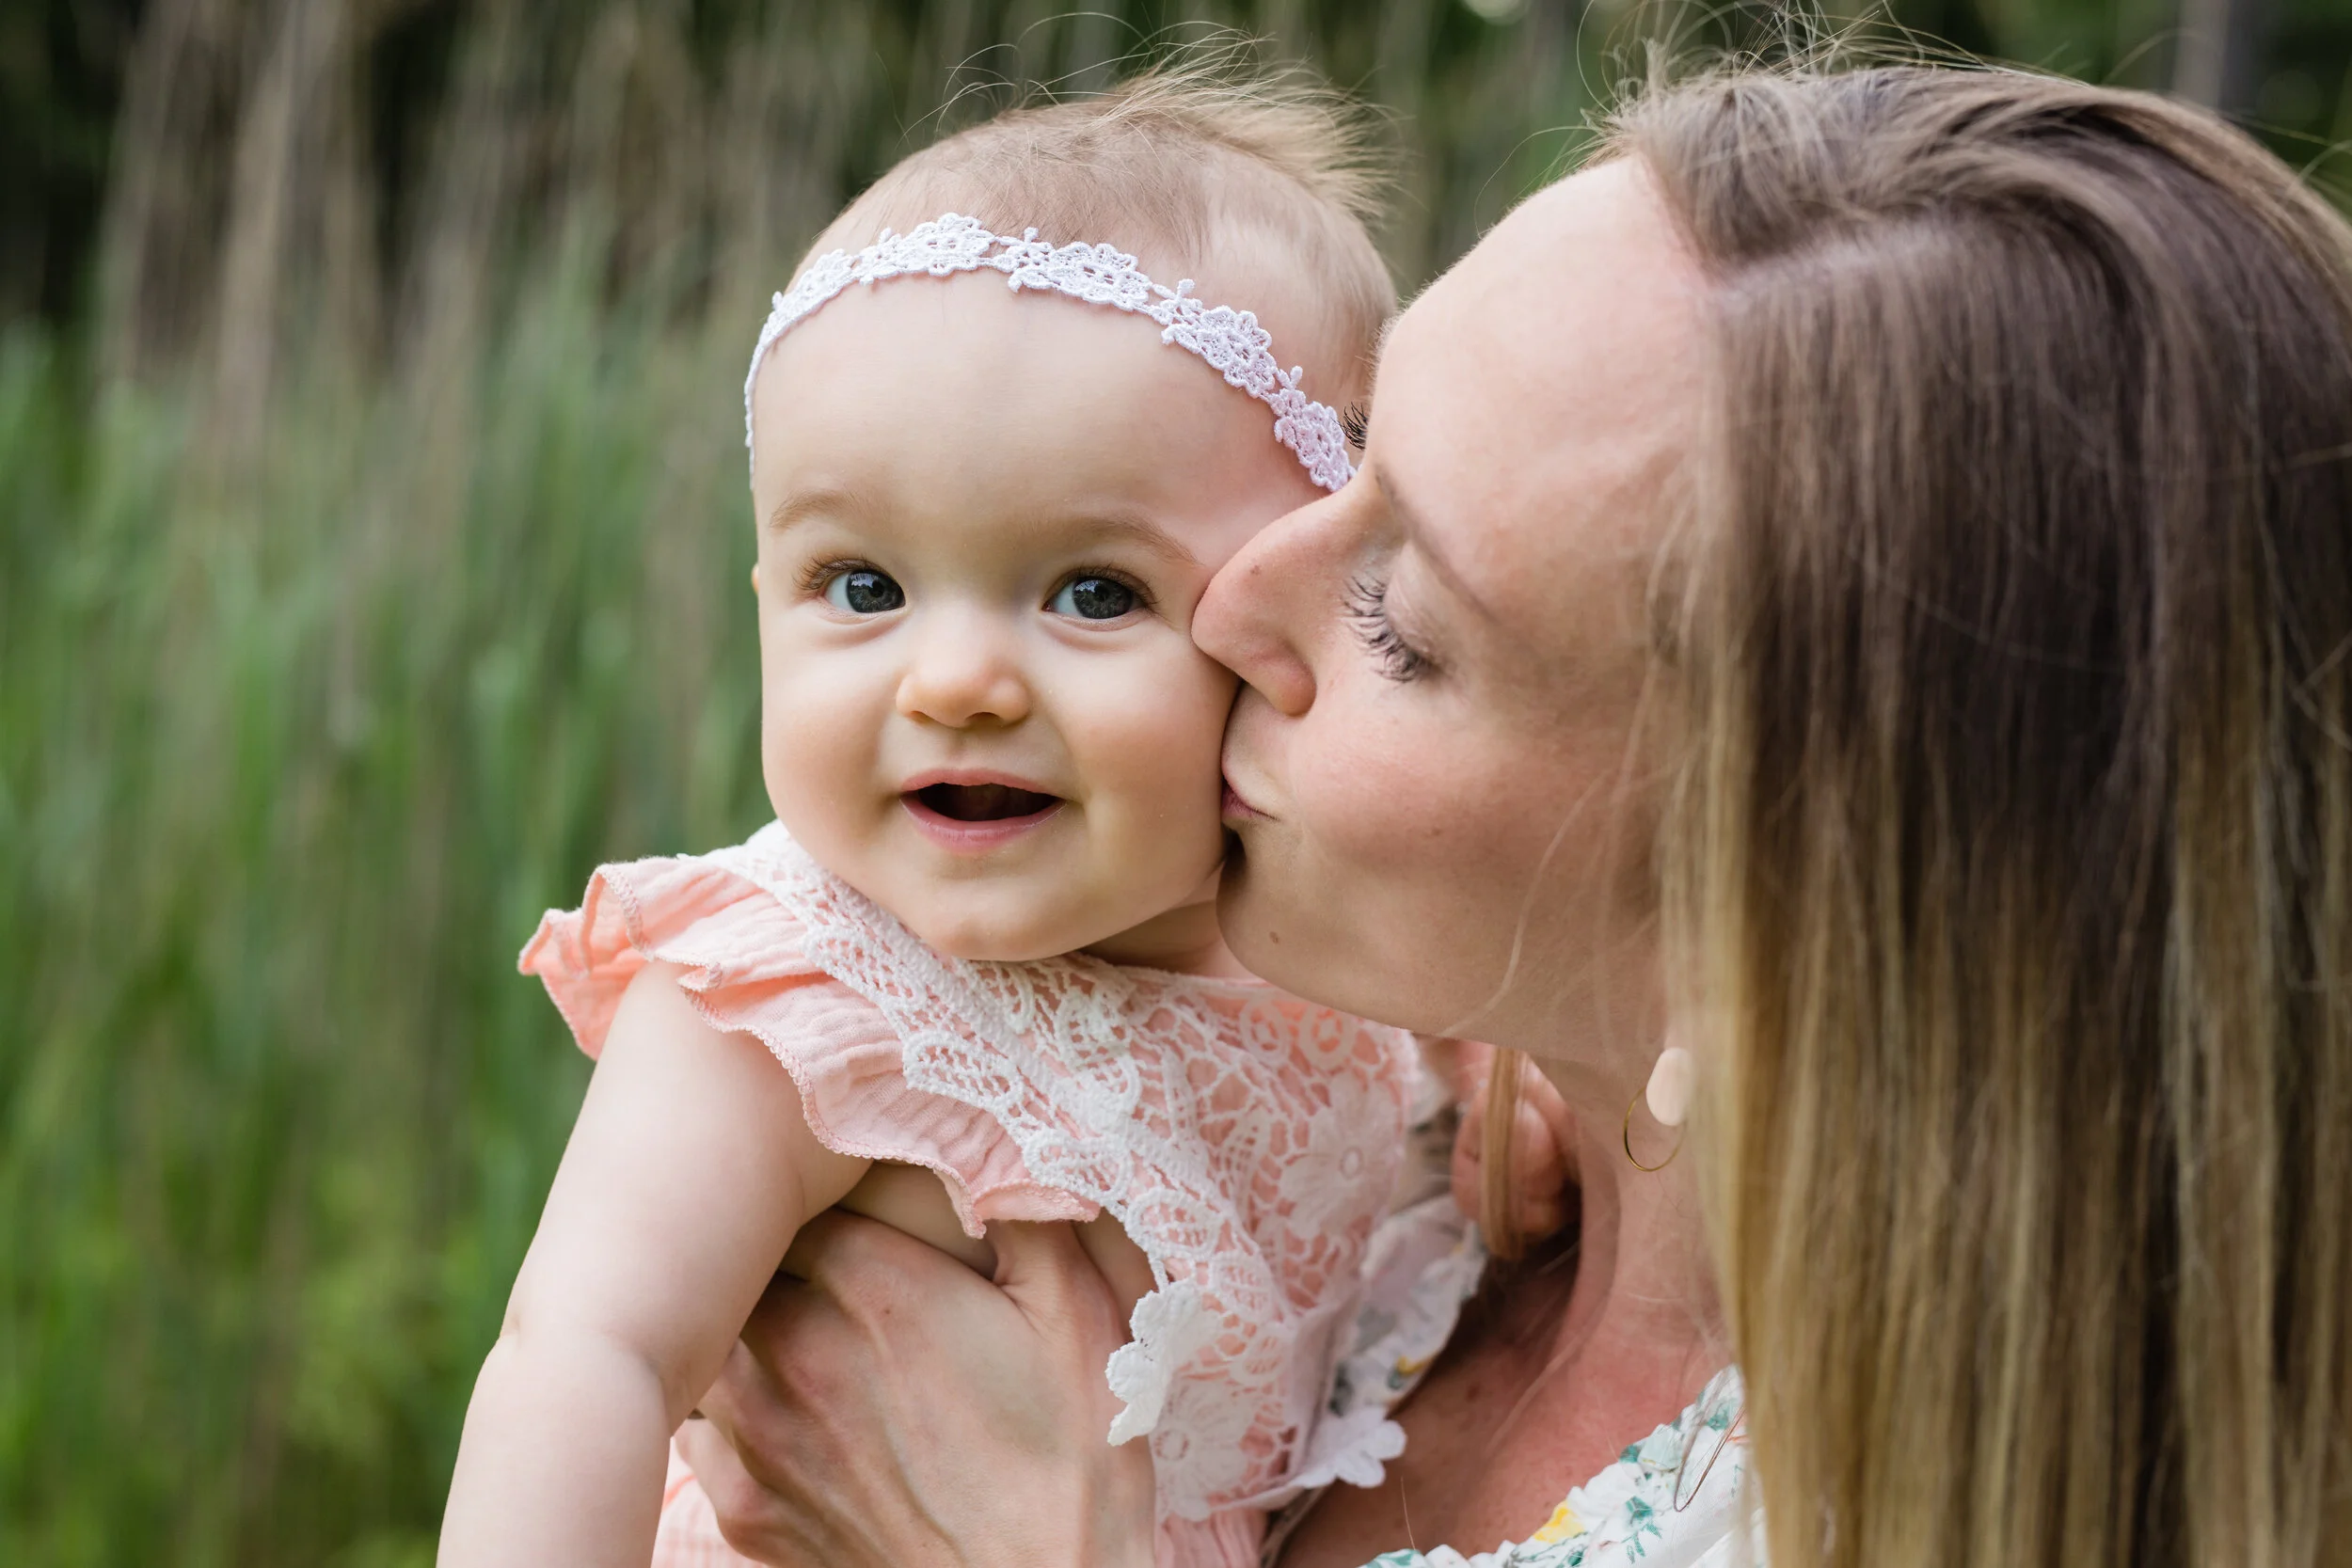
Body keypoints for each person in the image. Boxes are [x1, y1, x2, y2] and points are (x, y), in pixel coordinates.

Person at [668, 61, 2352, 1568]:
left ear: (1767, 908)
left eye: (1406, 619)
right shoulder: (1372, 1141)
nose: (1232, 603)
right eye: (1346, 468)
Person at [436, 71, 1456, 1568]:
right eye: (865, 586)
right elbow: (586, 1351)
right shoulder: (801, 989)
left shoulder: (1360, 959)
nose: (961, 678)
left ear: (1297, 612)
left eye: (1094, 590)